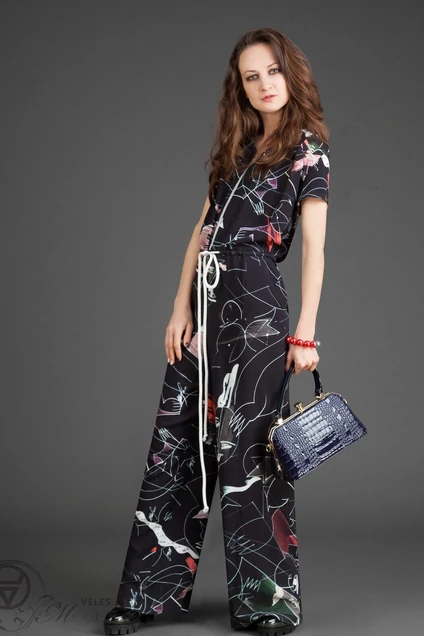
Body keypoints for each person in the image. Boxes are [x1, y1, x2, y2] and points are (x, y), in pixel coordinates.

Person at [103, 26, 330, 636]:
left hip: (258, 311)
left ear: (291, 74)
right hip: (204, 309)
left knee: (249, 451)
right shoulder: (235, 150)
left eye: (273, 72)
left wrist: (305, 333)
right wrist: (178, 309)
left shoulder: (309, 151)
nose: (264, 84)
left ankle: (267, 603)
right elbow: (199, 235)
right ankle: (147, 594)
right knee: (176, 442)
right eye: (252, 76)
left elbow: (314, 248)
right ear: (241, 87)